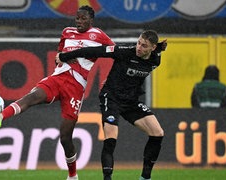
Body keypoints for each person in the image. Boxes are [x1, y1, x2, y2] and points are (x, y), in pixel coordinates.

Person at [0, 5, 115, 180]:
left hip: (75, 87)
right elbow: (60, 53)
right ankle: (0, 117)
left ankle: (72, 175)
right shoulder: (67, 32)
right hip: (58, 78)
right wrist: (59, 56)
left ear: (91, 20)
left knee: (65, 136)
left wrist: (112, 78)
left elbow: (117, 54)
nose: (79, 22)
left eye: (83, 19)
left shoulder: (99, 35)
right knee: (32, 97)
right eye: (77, 18)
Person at [56, 30, 167, 180]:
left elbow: (157, 53)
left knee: (158, 133)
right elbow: (94, 50)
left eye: (144, 45)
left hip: (131, 102)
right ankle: (107, 178)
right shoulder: (123, 52)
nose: (139, 47)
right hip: (112, 98)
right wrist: (64, 56)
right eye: (138, 42)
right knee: (111, 139)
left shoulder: (155, 60)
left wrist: (159, 48)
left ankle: (145, 177)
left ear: (152, 48)